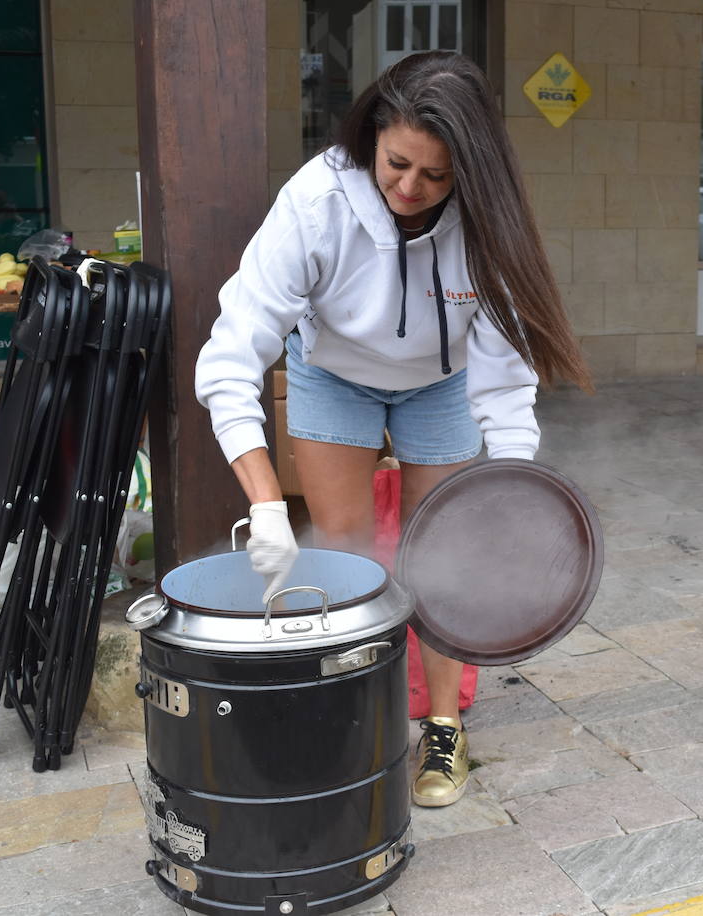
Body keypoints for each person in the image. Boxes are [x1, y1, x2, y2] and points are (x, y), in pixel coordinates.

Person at [195, 51, 592, 805]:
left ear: (468, 172)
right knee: (346, 558)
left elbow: (505, 380)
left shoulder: (487, 221)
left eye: (434, 176)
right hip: (332, 375)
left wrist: (512, 492)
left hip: (437, 387)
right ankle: (359, 718)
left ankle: (443, 727)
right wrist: (265, 506)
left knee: (438, 555)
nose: (409, 189)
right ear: (373, 135)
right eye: (396, 163)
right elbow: (229, 360)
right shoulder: (315, 203)